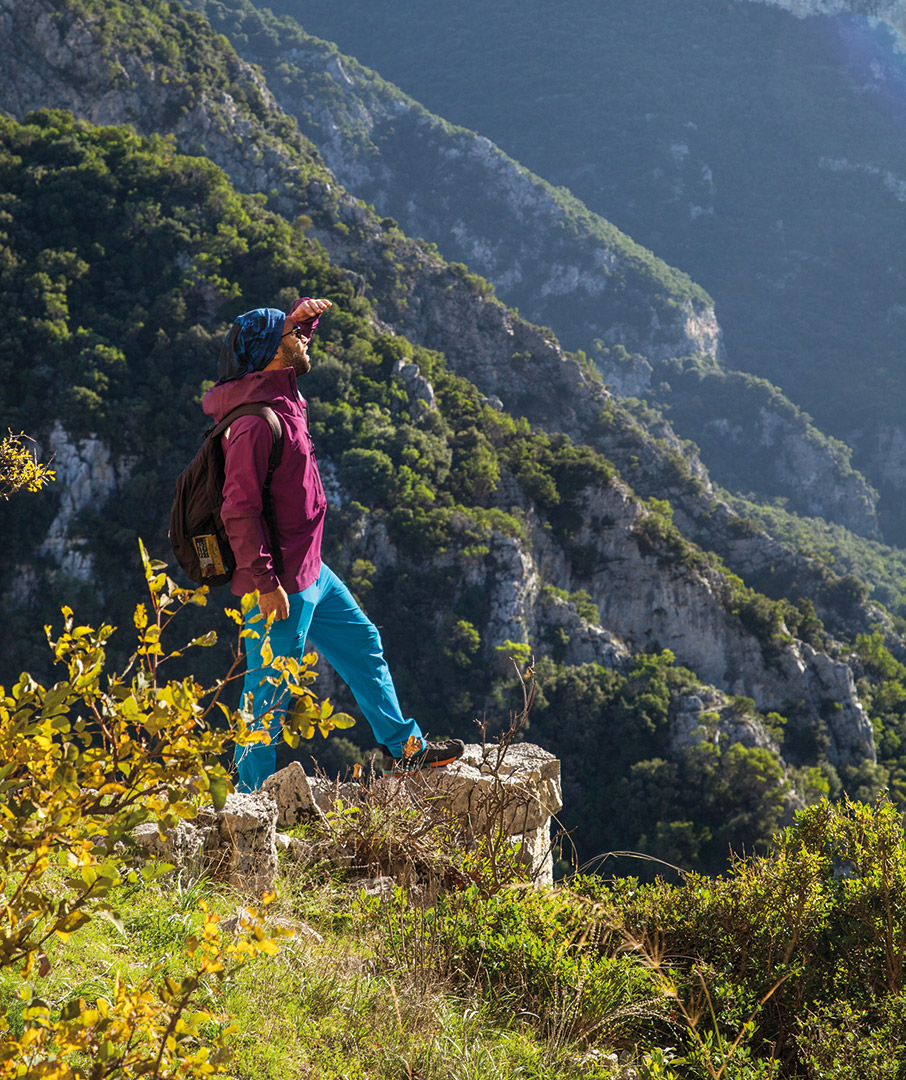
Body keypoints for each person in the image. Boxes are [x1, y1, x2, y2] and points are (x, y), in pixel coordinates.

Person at [203, 298, 465, 791]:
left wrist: (301, 319)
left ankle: (405, 749)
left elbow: (292, 348)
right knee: (268, 693)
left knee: (365, 645)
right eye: (293, 334)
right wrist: (264, 583)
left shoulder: (281, 393)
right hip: (280, 584)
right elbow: (238, 510)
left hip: (311, 571)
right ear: (269, 351)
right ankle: (250, 803)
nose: (304, 338)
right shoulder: (254, 423)